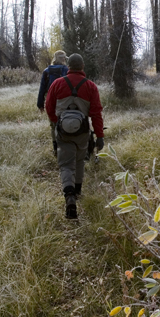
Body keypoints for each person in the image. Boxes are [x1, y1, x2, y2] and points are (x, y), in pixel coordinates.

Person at [45, 53, 104, 219]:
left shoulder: (57, 84)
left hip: (63, 132)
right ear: (82, 67)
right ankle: (77, 191)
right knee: (79, 160)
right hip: (83, 132)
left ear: (68, 66)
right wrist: (99, 136)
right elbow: (96, 114)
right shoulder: (91, 86)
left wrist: (58, 123)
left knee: (65, 164)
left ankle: (69, 195)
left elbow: (49, 108)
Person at [37, 50, 69, 156]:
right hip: (63, 100)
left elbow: (42, 88)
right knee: (64, 122)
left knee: (53, 125)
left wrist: (40, 104)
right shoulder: (66, 70)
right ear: (63, 59)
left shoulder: (46, 71)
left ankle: (56, 149)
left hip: (50, 99)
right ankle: (65, 147)